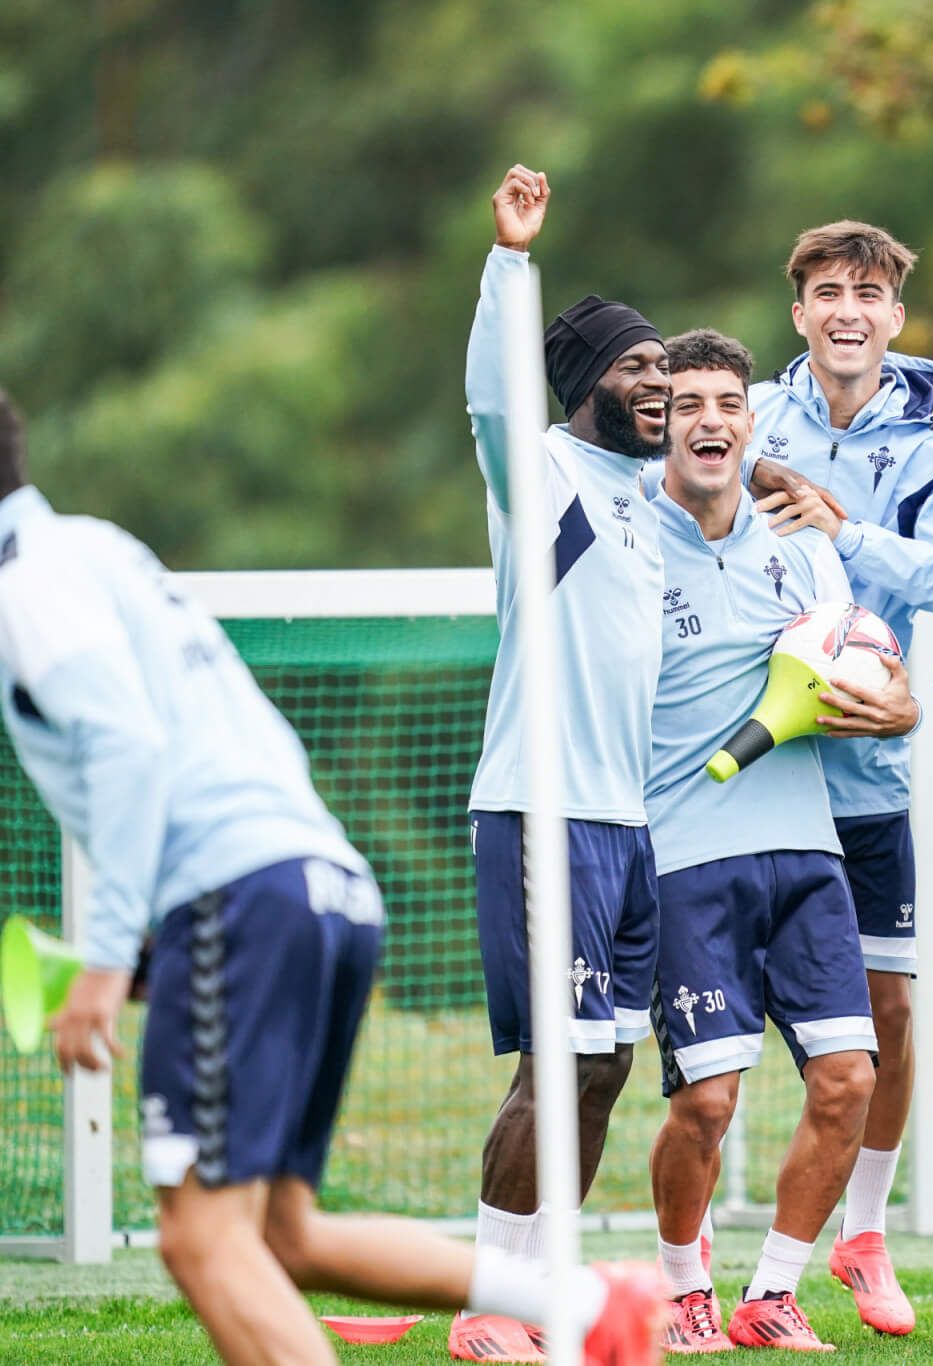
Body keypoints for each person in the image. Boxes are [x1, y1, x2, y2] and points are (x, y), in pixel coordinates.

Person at [0, 388, 665, 1366]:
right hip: (320, 884)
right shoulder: (95, 547)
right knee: (282, 1235)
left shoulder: (26, 583)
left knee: (200, 1236)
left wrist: (104, 957)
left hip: (245, 895)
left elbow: (126, 748)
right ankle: (579, 1301)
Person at [641, 329, 921, 1353]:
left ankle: (771, 1292)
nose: (708, 419)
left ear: (749, 422)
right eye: (686, 405)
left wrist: (898, 707)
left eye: (725, 402)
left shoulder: (803, 553)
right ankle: (682, 1289)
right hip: (682, 855)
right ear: (660, 427)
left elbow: (870, 669)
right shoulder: (627, 541)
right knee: (706, 1101)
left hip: (809, 854)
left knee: (848, 1078)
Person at [458, 164, 668, 1362]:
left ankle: (545, 1295)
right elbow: (495, 399)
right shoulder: (540, 477)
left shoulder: (644, 500)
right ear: (585, 382)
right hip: (542, 815)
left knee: (603, 1068)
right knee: (555, 1064)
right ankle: (491, 1301)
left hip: (623, 825)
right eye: (637, 368)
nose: (658, 384)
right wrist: (508, 261)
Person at [741, 219, 933, 1336]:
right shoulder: (748, 418)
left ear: (894, 316)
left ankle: (859, 1237)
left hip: (867, 772)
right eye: (828, 291)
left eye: (868, 293)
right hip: (755, 774)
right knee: (725, 1035)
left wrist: (850, 532)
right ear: (799, 313)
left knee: (890, 1015)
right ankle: (687, 1268)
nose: (847, 311)